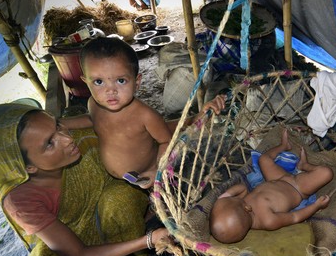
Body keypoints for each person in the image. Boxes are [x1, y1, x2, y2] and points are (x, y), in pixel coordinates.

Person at [0, 102, 169, 256]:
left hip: (108, 204)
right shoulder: (20, 201)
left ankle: (132, 233)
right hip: (71, 234)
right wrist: (149, 240)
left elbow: (125, 126)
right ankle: (125, 249)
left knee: (120, 198)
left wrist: (187, 124)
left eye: (57, 126)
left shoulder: (75, 136)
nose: (67, 139)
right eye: (50, 143)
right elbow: (79, 255)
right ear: (28, 168)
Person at [78, 37, 226, 189]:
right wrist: (61, 123)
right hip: (114, 177)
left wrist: (156, 171)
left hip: (146, 176)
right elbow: (92, 119)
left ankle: (197, 118)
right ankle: (195, 118)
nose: (110, 90)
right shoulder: (93, 104)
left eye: (121, 81)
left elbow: (166, 141)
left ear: (137, 82)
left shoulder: (145, 115)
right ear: (85, 81)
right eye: (98, 82)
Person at [210, 129, 334, 244]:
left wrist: (226, 195)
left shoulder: (243, 204)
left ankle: (284, 146)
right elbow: (294, 217)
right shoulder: (268, 221)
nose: (232, 196)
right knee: (326, 173)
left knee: (263, 159)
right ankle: (304, 166)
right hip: (297, 188)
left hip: (276, 179)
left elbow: (242, 187)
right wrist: (316, 206)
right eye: (230, 199)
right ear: (247, 208)